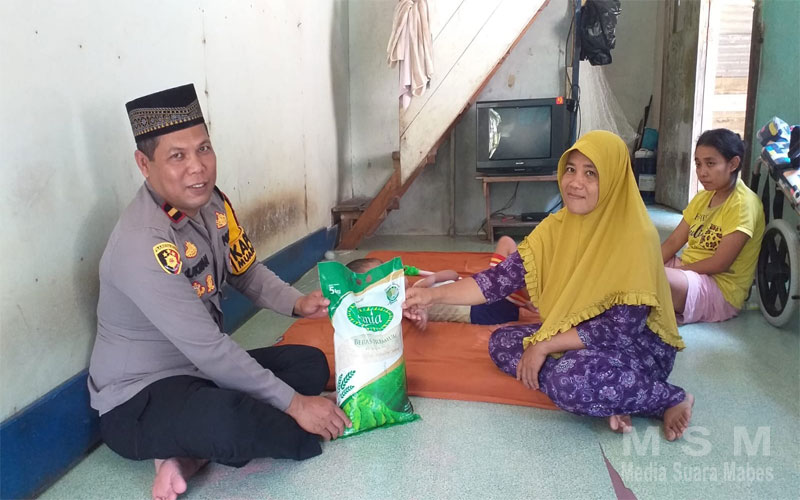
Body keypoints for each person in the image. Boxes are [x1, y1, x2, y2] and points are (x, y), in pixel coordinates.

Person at [88, 84, 350, 500]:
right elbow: (210, 348)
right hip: (139, 399)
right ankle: (190, 445)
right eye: (177, 156)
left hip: (199, 374)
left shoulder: (213, 205)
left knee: (309, 364)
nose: (198, 167)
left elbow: (246, 272)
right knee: (233, 422)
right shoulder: (143, 243)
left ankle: (184, 456)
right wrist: (297, 405)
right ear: (144, 164)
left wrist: (297, 303)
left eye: (204, 149)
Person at [405, 130, 694, 441]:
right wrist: (432, 295)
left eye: (591, 173)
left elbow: (620, 330)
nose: (575, 182)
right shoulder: (556, 227)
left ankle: (668, 398)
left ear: (613, 179)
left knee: (568, 380)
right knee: (501, 343)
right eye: (570, 169)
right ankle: (614, 396)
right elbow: (496, 281)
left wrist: (543, 346)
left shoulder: (636, 237)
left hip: (638, 349)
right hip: (578, 336)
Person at [661, 128, 765, 324]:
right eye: (698, 164)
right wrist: (649, 263)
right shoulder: (703, 198)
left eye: (710, 163)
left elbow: (720, 263)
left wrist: (675, 272)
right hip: (687, 271)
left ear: (733, 164)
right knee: (632, 260)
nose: (702, 172)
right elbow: (673, 241)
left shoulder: (743, 204)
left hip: (719, 288)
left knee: (652, 278)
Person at [346, 235, 533, 330]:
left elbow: (453, 274)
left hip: (486, 298)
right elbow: (419, 315)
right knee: (511, 258)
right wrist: (421, 315)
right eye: (384, 279)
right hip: (485, 310)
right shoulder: (404, 305)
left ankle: (523, 293)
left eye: (386, 269)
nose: (392, 274)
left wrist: (433, 279)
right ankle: (526, 293)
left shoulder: (419, 287)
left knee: (507, 244)